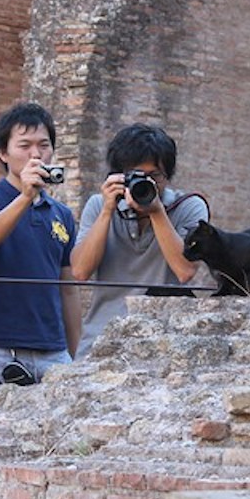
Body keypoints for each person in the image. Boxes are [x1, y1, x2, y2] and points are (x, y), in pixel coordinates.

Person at [0, 102, 80, 411]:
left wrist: (75, 355)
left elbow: (68, 288)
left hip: (53, 353)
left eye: (44, 145)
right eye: (24, 145)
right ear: (4, 153)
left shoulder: (62, 215)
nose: (36, 154)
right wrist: (25, 197)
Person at [70, 123, 207, 357]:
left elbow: (185, 270)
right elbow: (81, 271)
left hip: (163, 342)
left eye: (155, 176)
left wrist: (156, 212)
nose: (147, 183)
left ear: (168, 175)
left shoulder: (188, 207)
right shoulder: (99, 205)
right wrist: (107, 211)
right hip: (102, 340)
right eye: (136, 176)